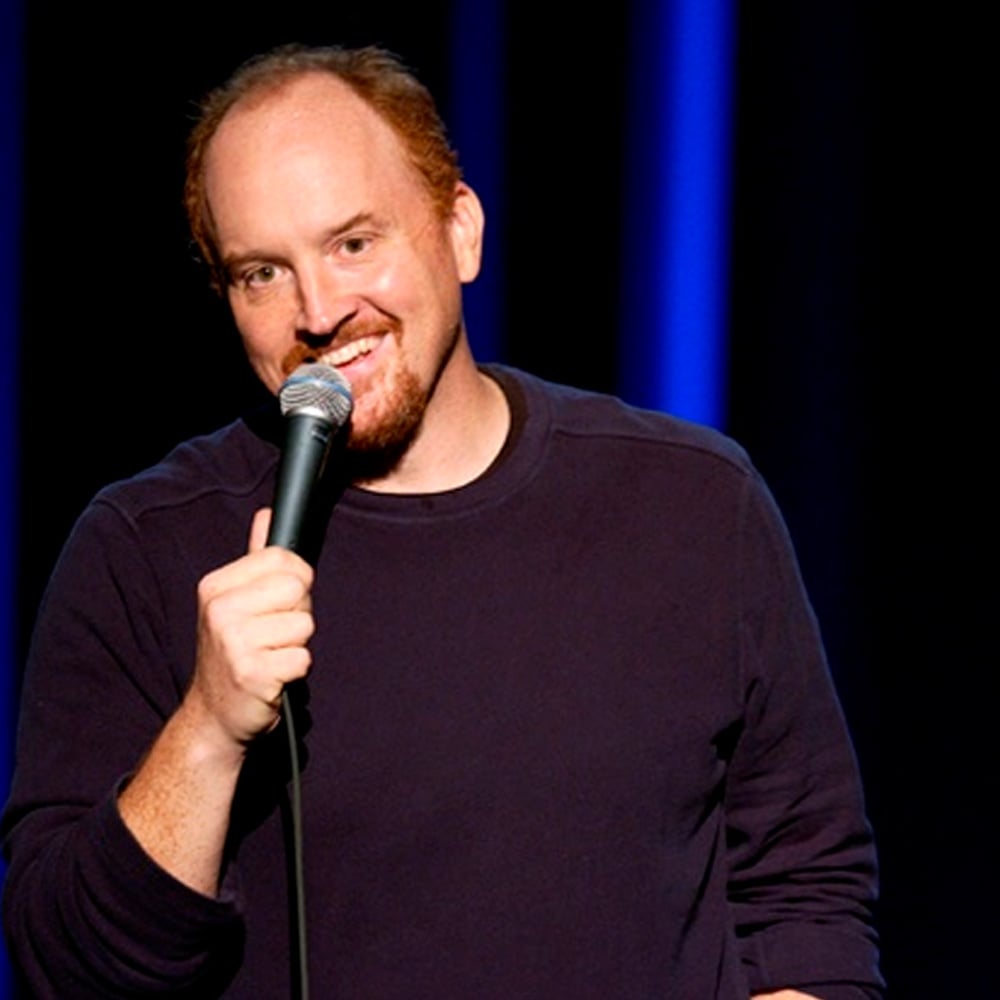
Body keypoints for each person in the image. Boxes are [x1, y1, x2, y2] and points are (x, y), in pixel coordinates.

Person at [1, 43, 884, 998]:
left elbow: (806, 900)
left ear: (459, 231)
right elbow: (68, 969)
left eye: (354, 243)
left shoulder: (692, 502)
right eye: (262, 272)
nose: (322, 309)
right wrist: (210, 727)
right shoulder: (145, 545)